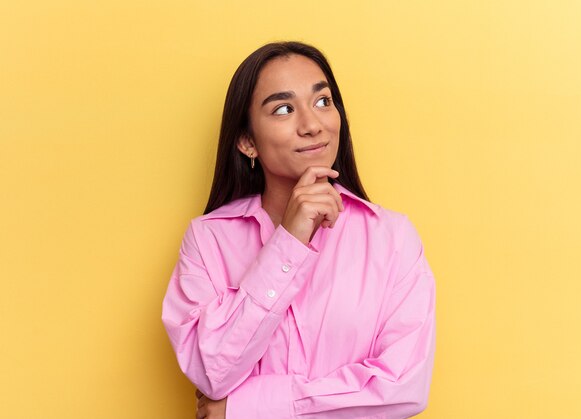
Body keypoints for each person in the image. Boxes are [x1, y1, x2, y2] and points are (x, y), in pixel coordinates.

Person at [162, 41, 436, 419]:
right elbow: (212, 371)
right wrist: (287, 243)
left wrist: (246, 407)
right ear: (247, 141)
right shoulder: (207, 241)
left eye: (323, 102)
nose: (312, 125)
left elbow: (404, 388)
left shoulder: (392, 238)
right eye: (284, 109)